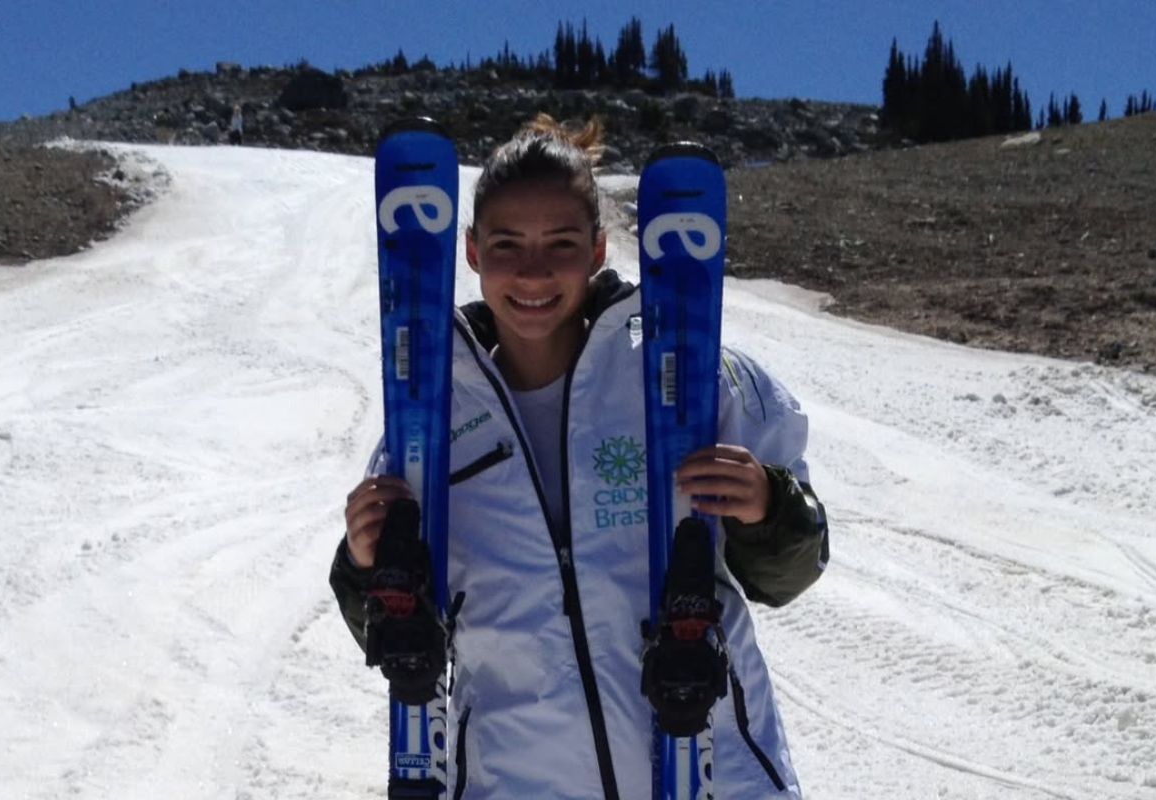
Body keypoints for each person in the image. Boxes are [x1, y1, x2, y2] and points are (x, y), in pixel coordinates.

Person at [330, 115, 829, 799]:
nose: (533, 269)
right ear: (472, 252)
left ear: (597, 250)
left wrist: (769, 509)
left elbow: (792, 572)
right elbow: (393, 635)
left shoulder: (688, 374)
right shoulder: (430, 416)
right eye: (508, 244)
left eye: (560, 243)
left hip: (711, 775)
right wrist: (366, 565)